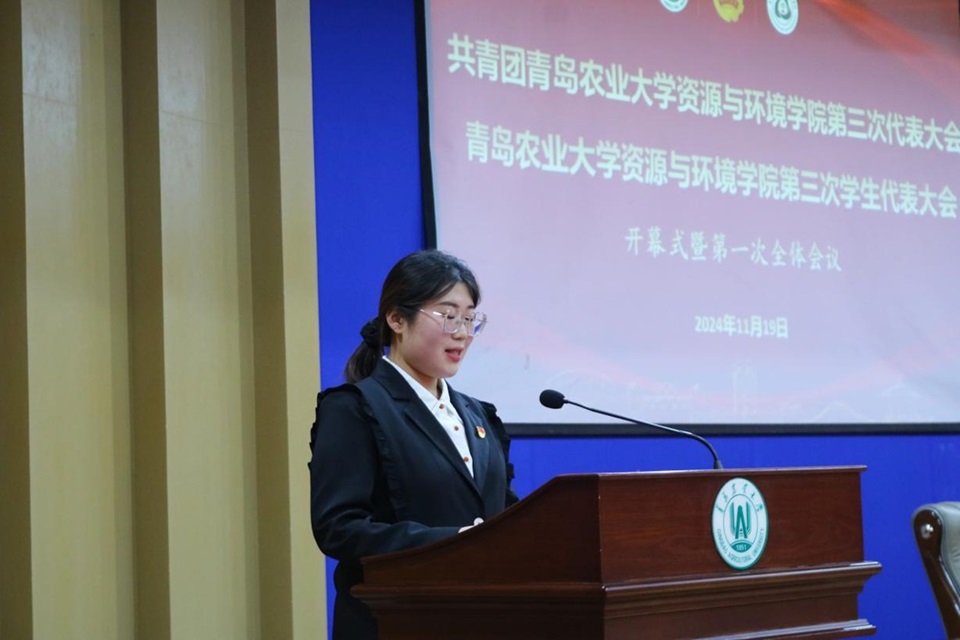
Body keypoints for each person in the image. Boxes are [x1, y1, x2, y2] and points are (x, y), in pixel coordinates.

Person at [309, 249, 519, 640]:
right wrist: (453, 544)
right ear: (396, 319)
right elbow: (339, 528)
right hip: (393, 621)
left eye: (470, 318)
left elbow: (503, 514)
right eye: (448, 315)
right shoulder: (355, 408)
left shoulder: (479, 416)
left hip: (480, 619)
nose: (462, 332)